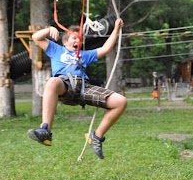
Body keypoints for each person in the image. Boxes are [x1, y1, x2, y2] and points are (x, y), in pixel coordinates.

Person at [27, 18, 127, 159]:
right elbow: (36, 37)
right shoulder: (56, 50)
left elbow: (106, 49)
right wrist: (49, 30)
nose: (77, 41)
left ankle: (96, 136)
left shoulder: (85, 55)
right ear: (65, 42)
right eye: (74, 38)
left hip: (83, 88)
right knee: (52, 82)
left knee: (120, 102)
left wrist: (116, 29)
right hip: (65, 86)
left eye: (80, 39)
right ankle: (46, 131)